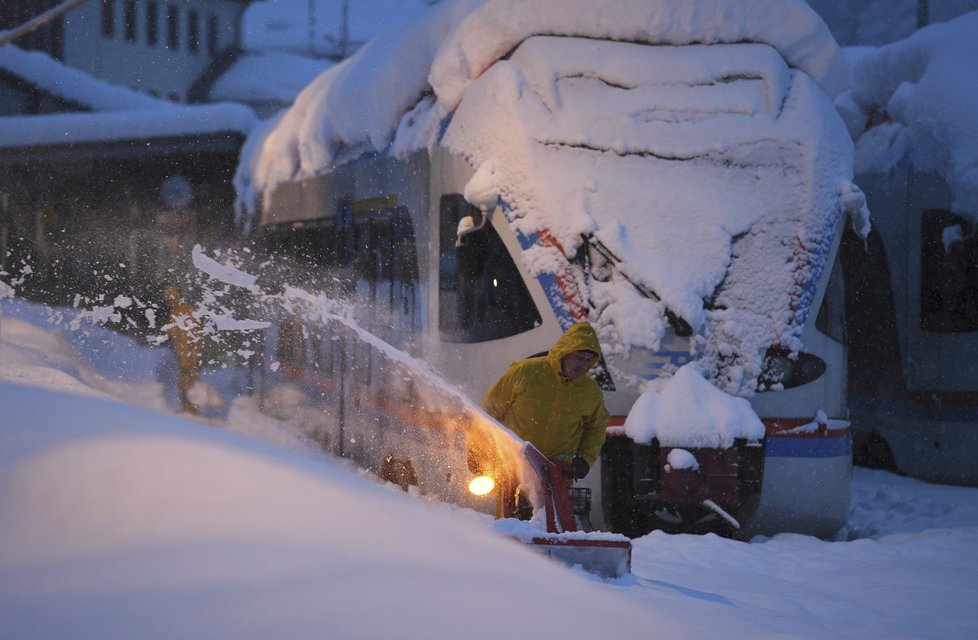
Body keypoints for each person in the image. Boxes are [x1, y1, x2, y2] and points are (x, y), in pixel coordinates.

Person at [481, 321, 610, 492]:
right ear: (565, 352)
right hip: (514, 470)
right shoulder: (525, 372)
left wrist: (585, 459)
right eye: (579, 357)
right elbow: (489, 412)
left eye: (588, 360)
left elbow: (597, 427)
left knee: (556, 520)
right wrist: (479, 452)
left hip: (558, 477)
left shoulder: (590, 390)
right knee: (511, 518)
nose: (583, 365)